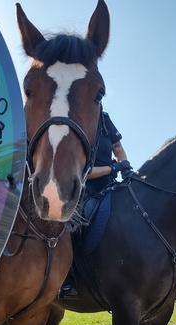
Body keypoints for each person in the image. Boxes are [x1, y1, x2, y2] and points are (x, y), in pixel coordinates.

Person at [59, 111, 131, 299]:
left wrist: (126, 166)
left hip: (110, 184)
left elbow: (118, 149)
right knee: (73, 225)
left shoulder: (105, 119)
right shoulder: (74, 120)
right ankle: (66, 277)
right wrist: (114, 167)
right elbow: (81, 170)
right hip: (84, 187)